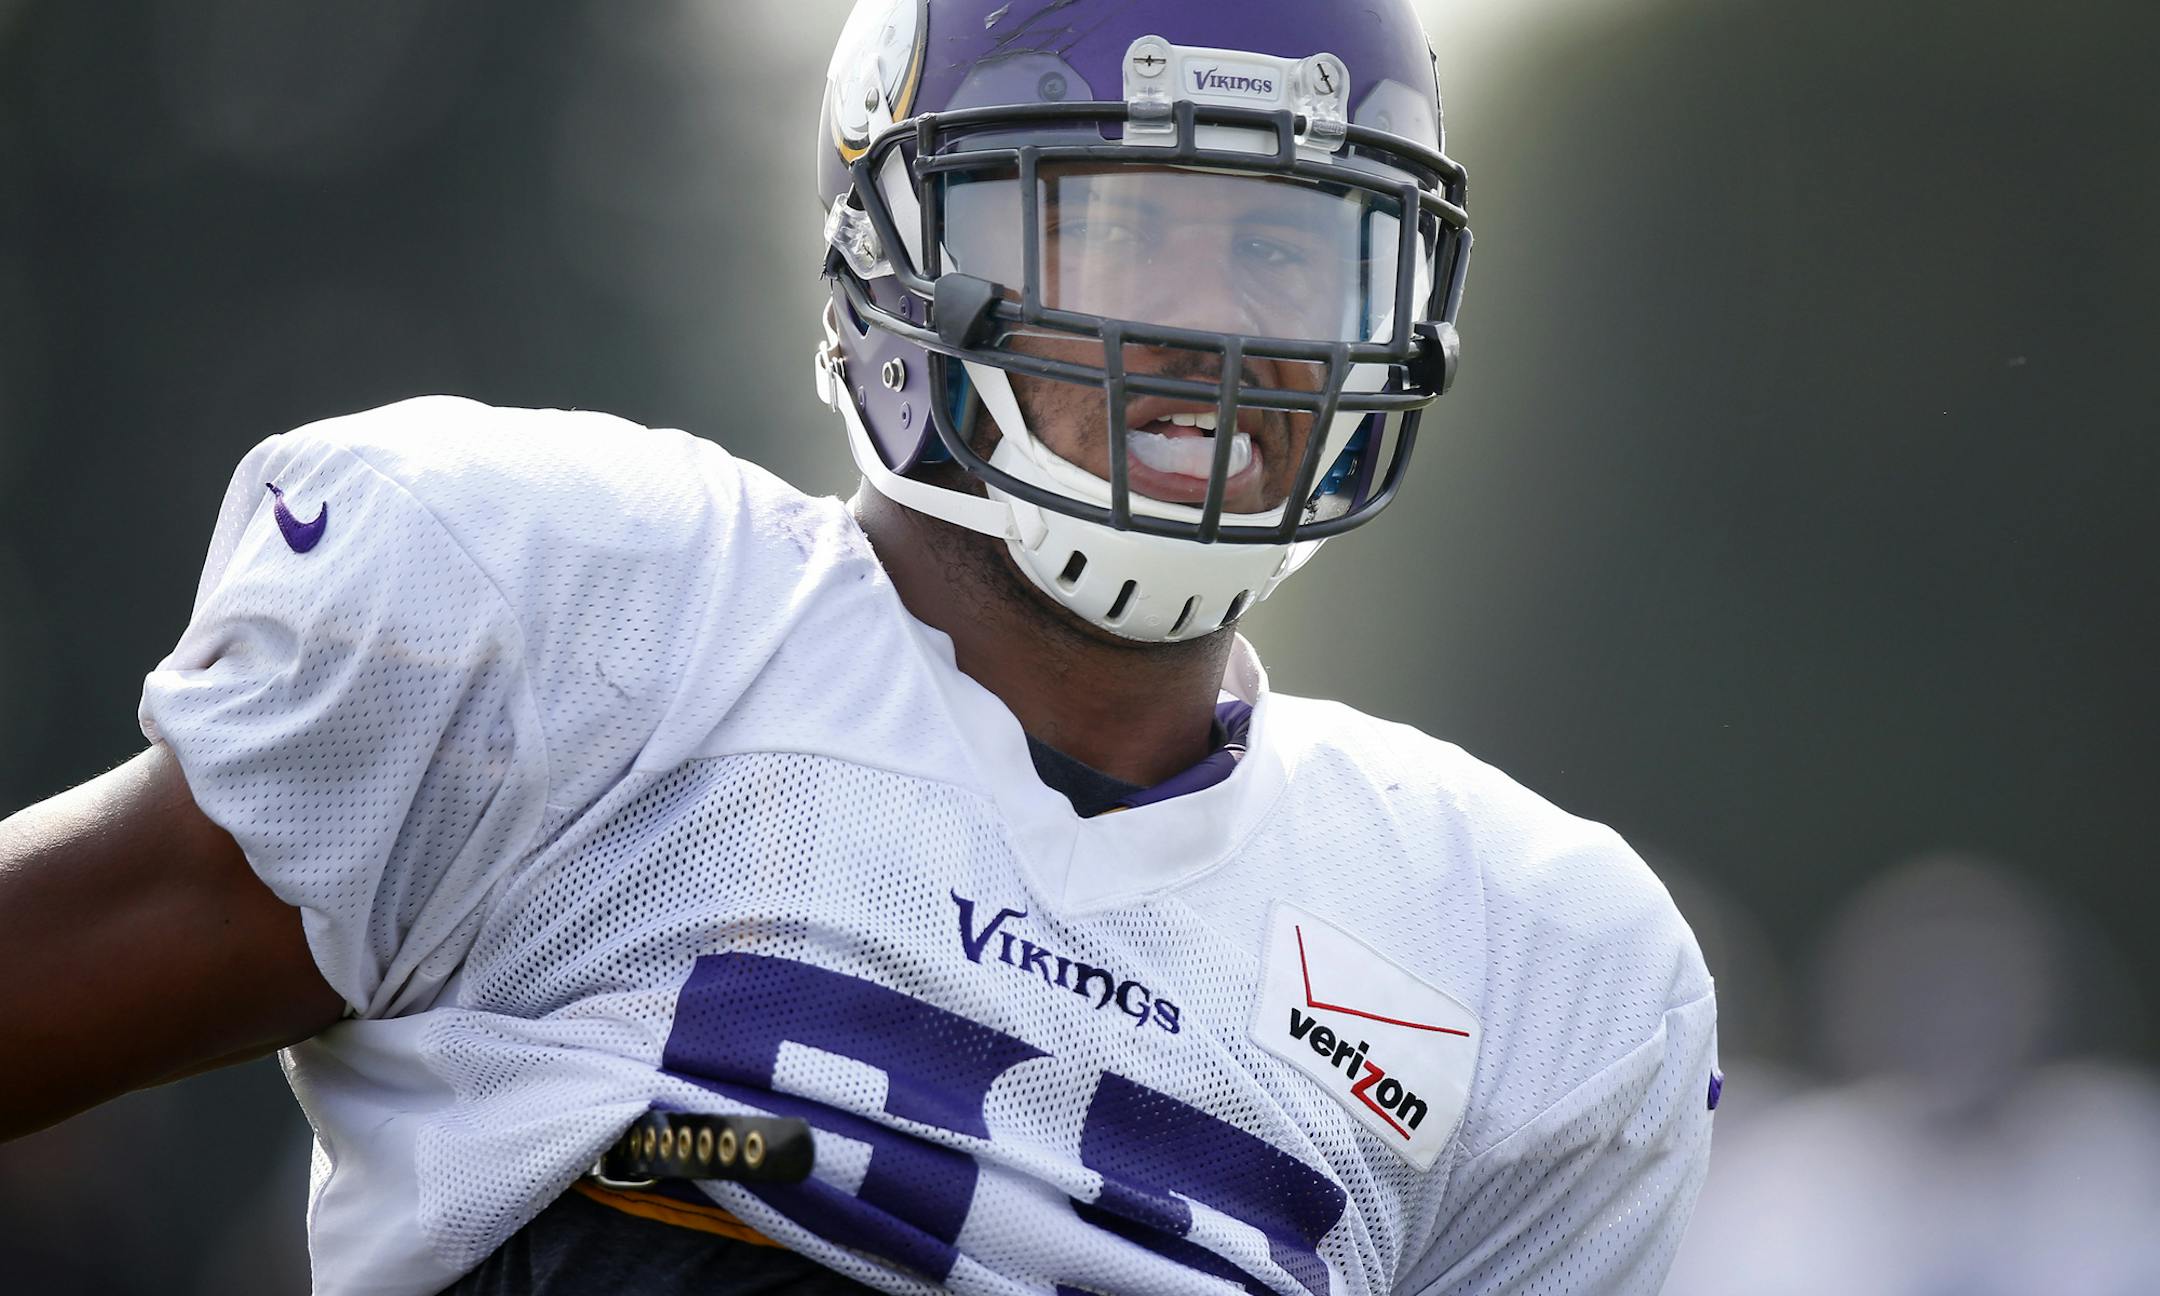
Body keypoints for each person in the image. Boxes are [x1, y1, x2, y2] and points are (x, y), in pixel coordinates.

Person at [0, 1, 1718, 1292]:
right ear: (904, 256)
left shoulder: (1535, 967)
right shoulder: (590, 621)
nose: (1215, 333)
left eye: (1283, 251)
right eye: (1123, 230)